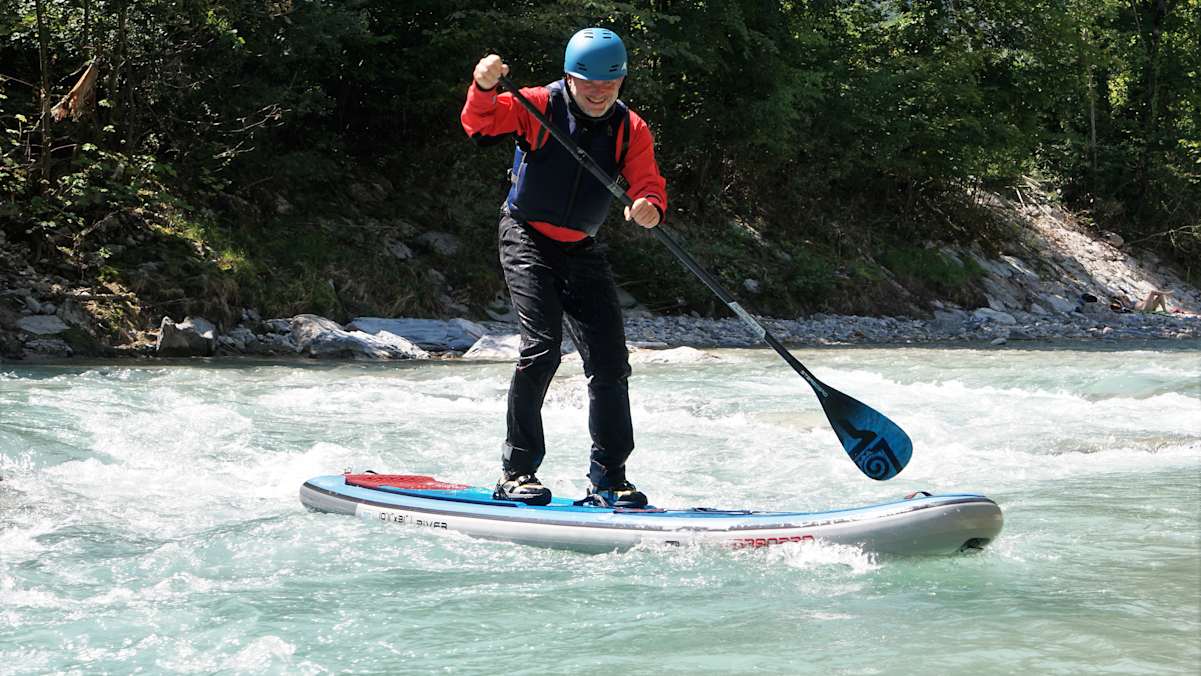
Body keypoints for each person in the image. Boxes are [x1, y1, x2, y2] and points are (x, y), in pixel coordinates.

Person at [460, 28, 668, 508]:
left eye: (609, 85)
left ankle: (609, 480)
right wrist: (484, 85)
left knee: (611, 364)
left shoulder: (630, 128)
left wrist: (649, 207)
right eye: (588, 83)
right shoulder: (536, 104)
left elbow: (648, 185)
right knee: (542, 350)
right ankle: (516, 472)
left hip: (582, 247)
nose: (599, 93)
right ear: (570, 78)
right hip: (526, 235)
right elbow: (480, 124)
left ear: (621, 82)